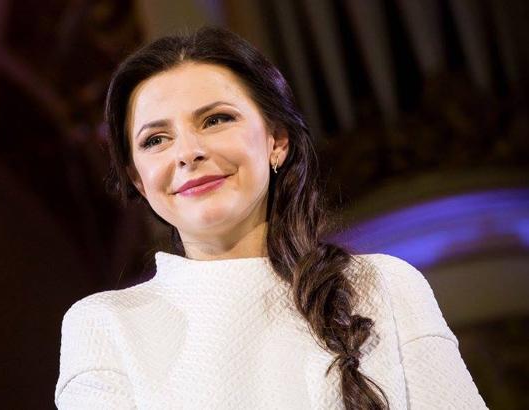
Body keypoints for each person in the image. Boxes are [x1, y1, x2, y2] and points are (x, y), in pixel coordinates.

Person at [54, 26, 487, 409]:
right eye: (156, 139)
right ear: (139, 179)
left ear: (276, 141)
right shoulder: (104, 326)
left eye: (215, 119)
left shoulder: (385, 286)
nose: (188, 152)